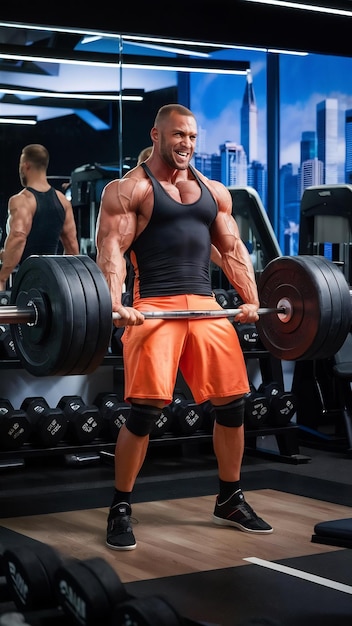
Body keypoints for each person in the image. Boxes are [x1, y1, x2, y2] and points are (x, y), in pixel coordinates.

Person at [96, 103, 273, 551]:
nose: (186, 145)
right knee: (145, 411)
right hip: (154, 306)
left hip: (207, 307)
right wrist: (115, 302)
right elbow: (114, 249)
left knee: (233, 404)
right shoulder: (130, 189)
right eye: (178, 136)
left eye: (193, 137)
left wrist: (252, 300)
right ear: (156, 135)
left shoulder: (215, 192)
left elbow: (232, 249)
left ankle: (230, 497)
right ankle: (120, 506)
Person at [0, 144, 80, 290]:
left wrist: (2, 278)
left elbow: (18, 237)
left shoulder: (21, 200)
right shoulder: (62, 201)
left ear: (25, 166)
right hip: (53, 282)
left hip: (27, 280)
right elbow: (72, 248)